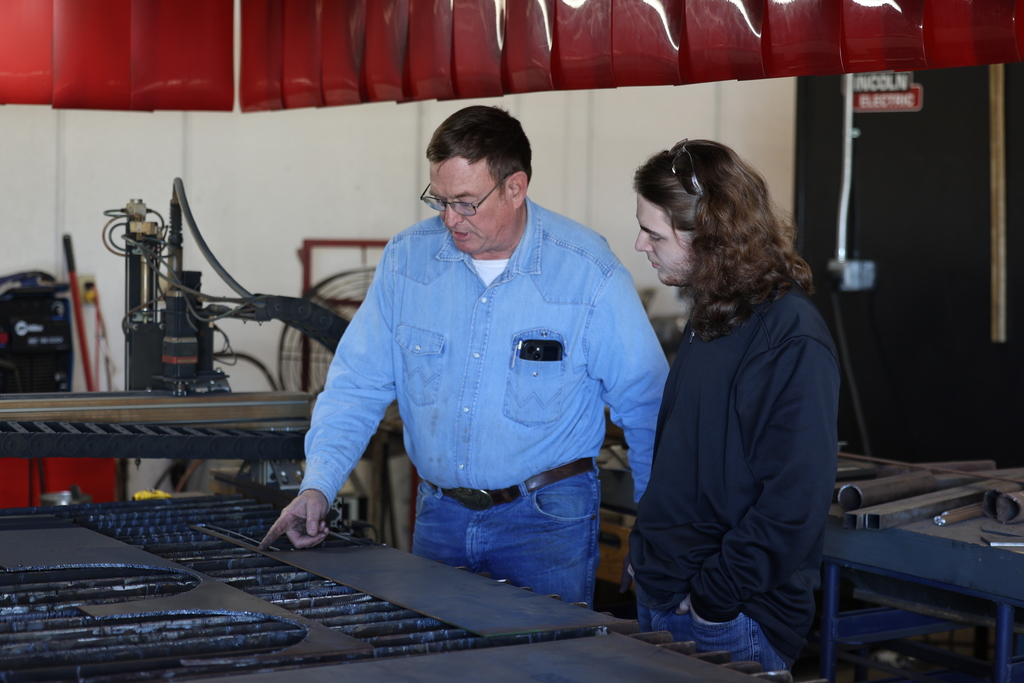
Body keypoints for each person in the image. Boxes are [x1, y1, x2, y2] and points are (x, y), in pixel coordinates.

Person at [261, 105, 668, 608]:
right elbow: (356, 384)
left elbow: (648, 406)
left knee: (541, 665)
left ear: (515, 188)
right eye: (440, 199)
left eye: (467, 203)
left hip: (545, 521)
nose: (449, 219)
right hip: (441, 517)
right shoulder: (408, 261)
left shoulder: (587, 271)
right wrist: (318, 484)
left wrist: (656, 527)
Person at [626, 139, 840, 670]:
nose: (639, 243)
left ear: (710, 235)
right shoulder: (713, 315)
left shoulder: (789, 337)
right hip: (670, 596)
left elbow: (793, 504)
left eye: (654, 232)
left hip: (729, 620)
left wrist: (712, 598)